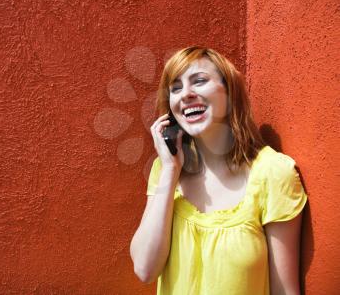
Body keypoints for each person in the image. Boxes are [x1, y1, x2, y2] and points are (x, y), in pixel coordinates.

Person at [130, 46, 308, 295]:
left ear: (230, 93)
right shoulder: (166, 169)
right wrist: (171, 172)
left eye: (199, 81)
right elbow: (145, 269)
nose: (186, 95)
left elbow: (285, 289)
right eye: (176, 88)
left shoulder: (273, 173)